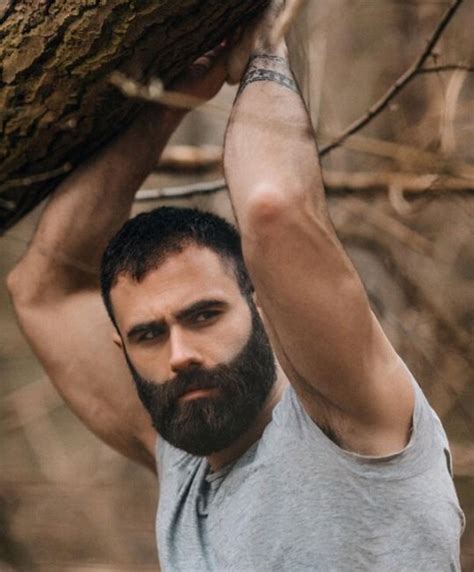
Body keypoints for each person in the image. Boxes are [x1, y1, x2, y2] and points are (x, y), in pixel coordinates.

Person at [7, 4, 464, 571]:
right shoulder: (182, 461)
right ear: (122, 349)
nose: (180, 355)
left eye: (204, 315)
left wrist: (264, 52)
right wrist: (170, 102)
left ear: (262, 306)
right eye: (150, 333)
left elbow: (273, 209)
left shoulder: (347, 417)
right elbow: (44, 285)